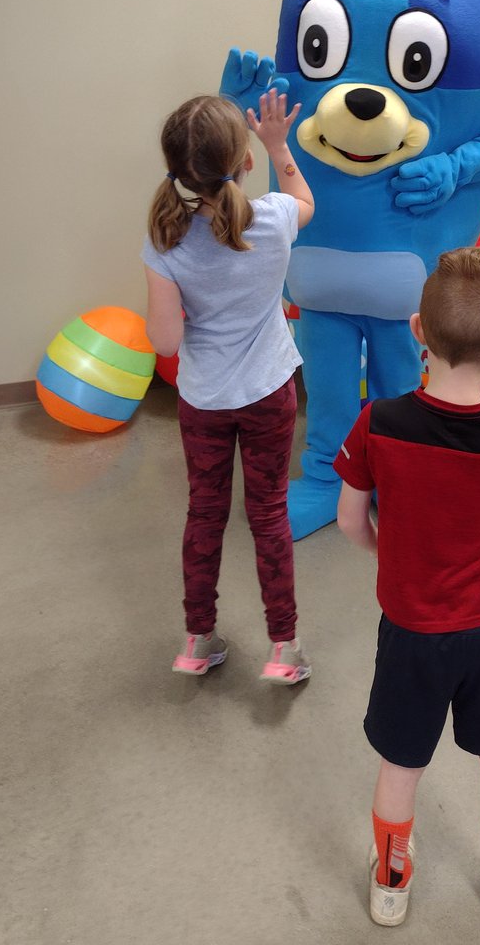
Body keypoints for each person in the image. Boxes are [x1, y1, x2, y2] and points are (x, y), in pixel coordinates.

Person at [335, 247, 480, 927]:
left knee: (401, 764)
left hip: (410, 627)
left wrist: (389, 553)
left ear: (416, 330)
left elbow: (350, 522)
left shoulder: (381, 423)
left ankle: (392, 884)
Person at [142, 90, 314, 684]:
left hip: (204, 399)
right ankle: (284, 649)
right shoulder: (272, 217)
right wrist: (277, 143)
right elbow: (304, 199)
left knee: (205, 513)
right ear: (242, 163)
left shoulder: (164, 239)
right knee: (268, 514)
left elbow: (164, 342)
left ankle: (196, 640)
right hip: (268, 392)